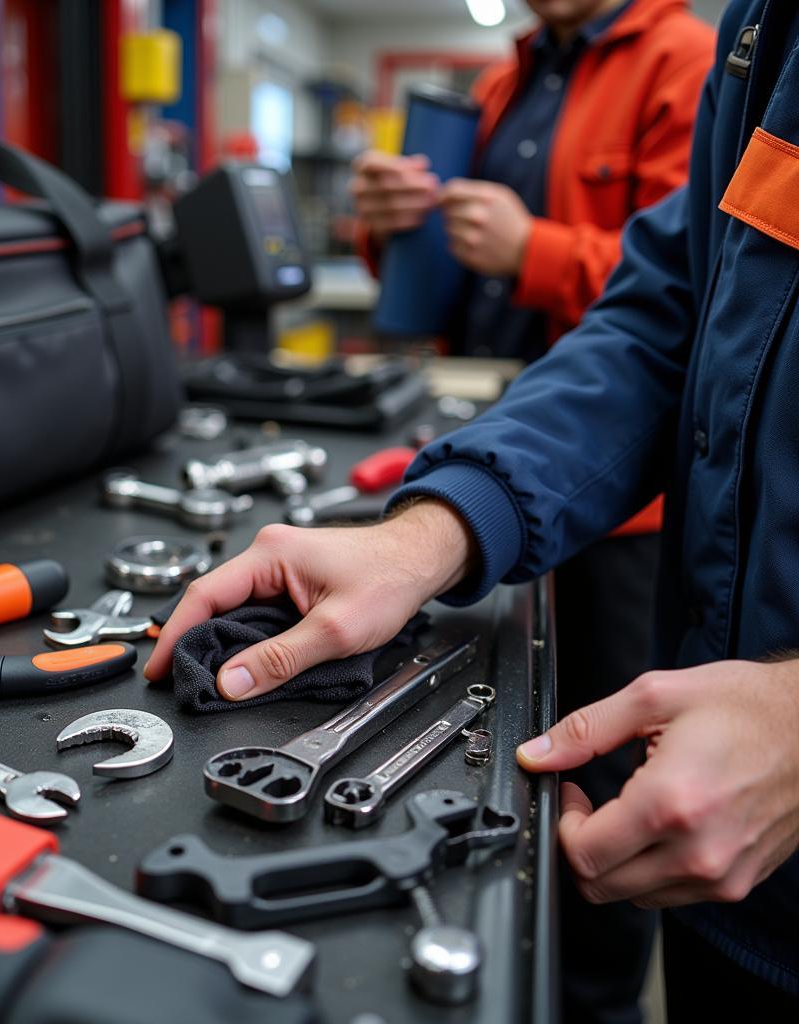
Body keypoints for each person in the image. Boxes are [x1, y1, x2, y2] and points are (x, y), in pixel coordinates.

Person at [146, 0, 799, 1017]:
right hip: (727, 843)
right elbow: (673, 314)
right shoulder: (758, 31)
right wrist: (435, 526)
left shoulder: (673, 51)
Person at [352, 3, 713, 1020]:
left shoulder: (684, 63)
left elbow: (677, 309)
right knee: (502, 753)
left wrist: (535, 249)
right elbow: (441, 284)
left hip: (614, 515)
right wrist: (390, 233)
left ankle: (590, 996)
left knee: (596, 782)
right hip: (493, 445)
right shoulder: (506, 80)